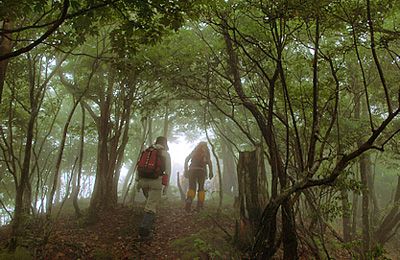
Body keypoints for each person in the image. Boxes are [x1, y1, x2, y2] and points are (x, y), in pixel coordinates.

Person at [136, 136, 171, 240]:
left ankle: (149, 222)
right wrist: (166, 187)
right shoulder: (165, 154)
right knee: (151, 206)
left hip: (143, 181)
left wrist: (137, 182)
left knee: (149, 202)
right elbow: (168, 171)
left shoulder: (146, 151)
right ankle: (144, 232)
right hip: (156, 182)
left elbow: (139, 167)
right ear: (165, 143)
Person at [184, 141, 213, 211]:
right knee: (201, 188)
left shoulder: (195, 151)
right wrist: (211, 172)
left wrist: (186, 170)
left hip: (192, 170)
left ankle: (189, 200)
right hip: (201, 171)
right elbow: (209, 162)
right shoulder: (206, 152)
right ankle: (199, 206)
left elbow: (186, 159)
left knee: (192, 187)